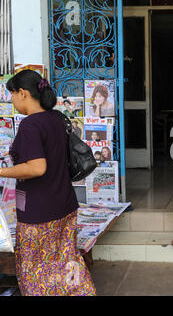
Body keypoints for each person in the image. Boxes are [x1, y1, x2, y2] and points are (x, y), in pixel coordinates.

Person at [0, 70, 96, 296]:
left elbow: (37, 167)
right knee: (66, 261)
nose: (11, 100)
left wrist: (2, 170)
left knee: (34, 271)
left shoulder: (31, 125)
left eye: (11, 95)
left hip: (39, 214)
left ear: (22, 93)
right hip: (65, 206)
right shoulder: (56, 118)